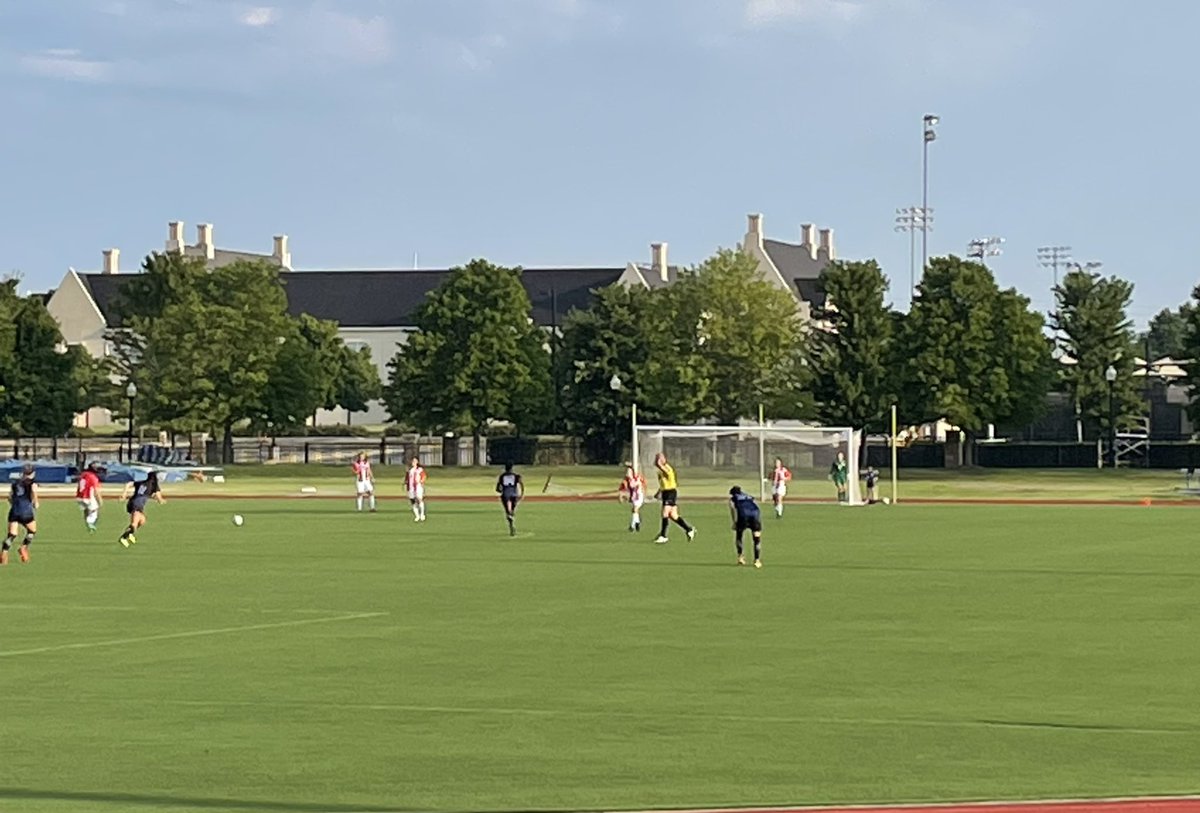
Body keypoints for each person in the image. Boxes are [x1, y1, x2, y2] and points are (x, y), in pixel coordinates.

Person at [652, 452, 695, 545]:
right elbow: (663, 483)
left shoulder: (667, 468)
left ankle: (663, 536)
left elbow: (662, 469)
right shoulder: (660, 471)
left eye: (661, 458)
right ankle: (689, 529)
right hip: (665, 493)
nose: (659, 460)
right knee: (673, 515)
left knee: (665, 513)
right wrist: (658, 493)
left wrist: (658, 462)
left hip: (670, 492)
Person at [2, 464, 39, 565]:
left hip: (14, 511)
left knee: (12, 535)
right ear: (33, 473)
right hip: (26, 512)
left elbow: (9, 498)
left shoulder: (15, 483)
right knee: (32, 531)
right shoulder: (33, 483)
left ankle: (4, 554)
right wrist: (36, 503)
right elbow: (34, 495)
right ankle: (23, 548)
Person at [118, 470, 165, 548]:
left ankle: (130, 534)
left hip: (133, 502)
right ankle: (123, 538)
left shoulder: (143, 482)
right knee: (134, 524)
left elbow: (129, 484)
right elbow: (158, 497)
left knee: (142, 520)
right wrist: (160, 500)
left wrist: (124, 494)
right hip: (137, 504)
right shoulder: (154, 485)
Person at [728, 485, 762, 568]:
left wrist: (734, 522)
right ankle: (757, 560)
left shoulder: (733, 499)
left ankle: (740, 557)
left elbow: (733, 510)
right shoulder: (749, 497)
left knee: (739, 536)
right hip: (755, 516)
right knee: (756, 539)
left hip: (743, 516)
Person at [495, 463, 524, 536]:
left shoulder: (502, 476)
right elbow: (521, 483)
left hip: (505, 495)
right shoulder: (515, 476)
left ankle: (511, 523)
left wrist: (500, 490)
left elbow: (498, 488)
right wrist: (522, 494)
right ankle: (511, 520)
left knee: (508, 511)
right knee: (512, 511)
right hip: (514, 494)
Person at [618, 463, 646, 533]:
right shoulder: (626, 480)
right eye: (627, 472)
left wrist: (642, 491)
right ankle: (637, 523)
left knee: (635, 509)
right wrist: (621, 496)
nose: (628, 473)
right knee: (634, 510)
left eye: (629, 471)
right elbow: (622, 489)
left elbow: (642, 485)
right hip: (633, 497)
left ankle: (632, 526)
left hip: (639, 495)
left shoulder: (637, 478)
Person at [76, 462, 104, 533]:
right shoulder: (93, 477)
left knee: (86, 510)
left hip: (79, 496)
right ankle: (90, 523)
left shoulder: (83, 475)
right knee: (95, 509)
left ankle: (88, 523)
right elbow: (96, 490)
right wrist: (99, 499)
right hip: (88, 496)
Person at [406, 456, 427, 522]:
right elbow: (407, 480)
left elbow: (424, 476)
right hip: (411, 488)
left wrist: (421, 481)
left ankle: (422, 514)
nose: (413, 462)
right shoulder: (410, 470)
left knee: (419, 499)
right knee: (413, 501)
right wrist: (407, 487)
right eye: (413, 461)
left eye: (415, 461)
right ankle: (417, 516)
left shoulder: (420, 469)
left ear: (417, 462)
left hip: (418, 487)